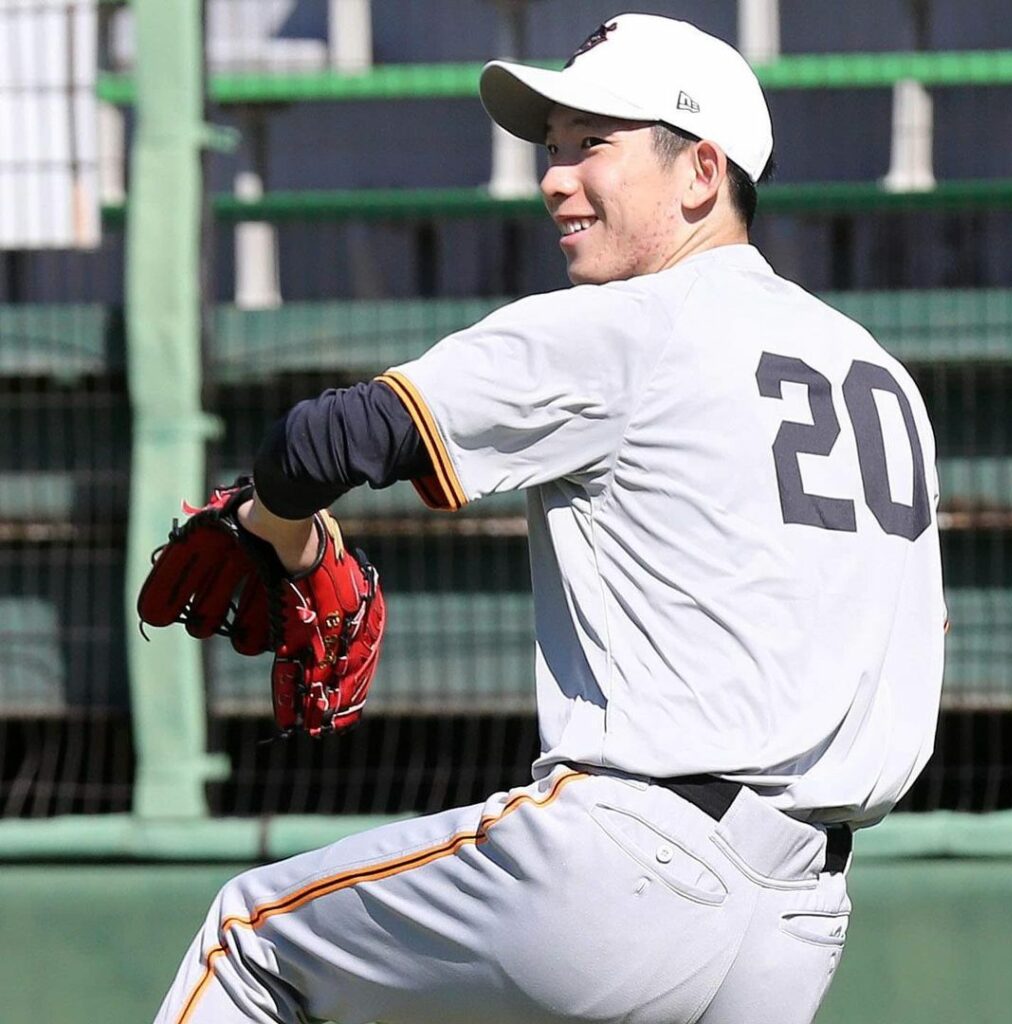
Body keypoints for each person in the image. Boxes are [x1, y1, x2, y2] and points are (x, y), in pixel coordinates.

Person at [153, 14, 945, 1024]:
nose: (554, 179)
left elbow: (328, 440)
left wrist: (275, 528)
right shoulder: (877, 374)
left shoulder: (626, 324)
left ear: (701, 172)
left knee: (247, 939)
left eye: (592, 144)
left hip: (625, 864)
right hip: (800, 920)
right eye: (553, 148)